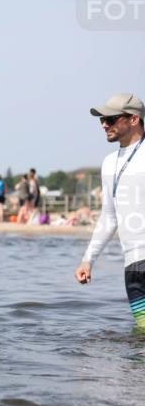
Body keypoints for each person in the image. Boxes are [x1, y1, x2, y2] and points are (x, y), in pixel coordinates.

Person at [74, 93, 145, 328]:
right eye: (102, 120)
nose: (105, 125)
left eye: (111, 119)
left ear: (134, 119)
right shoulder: (108, 163)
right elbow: (109, 217)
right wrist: (88, 260)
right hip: (133, 268)